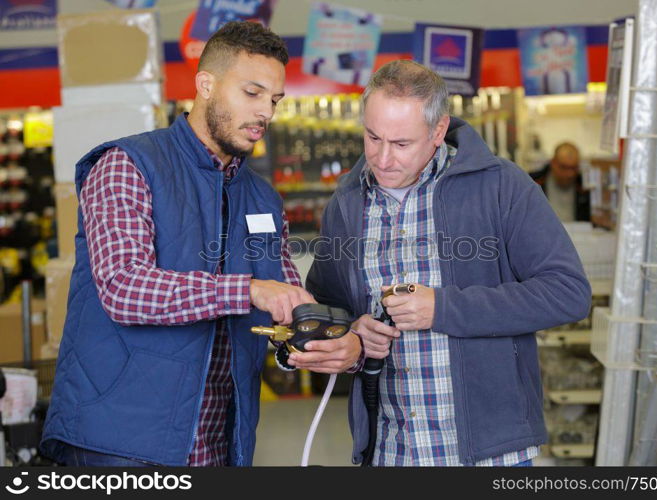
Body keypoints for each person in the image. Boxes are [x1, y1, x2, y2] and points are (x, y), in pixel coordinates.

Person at [40, 21, 359, 467]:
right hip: (120, 442)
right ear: (205, 84)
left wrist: (314, 345)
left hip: (220, 443)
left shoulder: (262, 196)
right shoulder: (126, 165)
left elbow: (282, 307)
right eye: (252, 93)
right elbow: (124, 289)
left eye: (274, 100)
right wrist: (246, 289)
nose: (266, 112)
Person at [297, 60, 591, 466]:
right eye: (372, 137)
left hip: (490, 453)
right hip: (392, 450)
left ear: (438, 132)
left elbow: (568, 293)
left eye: (401, 144)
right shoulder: (346, 204)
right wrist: (353, 329)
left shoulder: (502, 186)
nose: (382, 159)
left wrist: (443, 308)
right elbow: (327, 301)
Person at [530, 142, 590, 222]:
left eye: (574, 168)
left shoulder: (585, 187)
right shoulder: (533, 182)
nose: (570, 174)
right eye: (564, 167)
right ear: (553, 163)